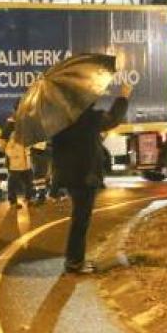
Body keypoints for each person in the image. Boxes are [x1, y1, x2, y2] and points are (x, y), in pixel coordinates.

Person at [50, 83, 132, 274]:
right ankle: (74, 262)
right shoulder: (89, 117)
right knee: (81, 219)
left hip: (71, 176)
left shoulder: (59, 120)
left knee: (79, 218)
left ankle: (75, 260)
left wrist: (57, 181)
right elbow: (112, 119)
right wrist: (123, 97)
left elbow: (58, 152)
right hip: (86, 176)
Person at [1, 120, 34, 207]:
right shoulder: (12, 132)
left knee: (29, 181)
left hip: (25, 161)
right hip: (15, 162)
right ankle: (13, 202)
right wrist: (12, 155)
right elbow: (5, 147)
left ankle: (28, 198)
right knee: (13, 182)